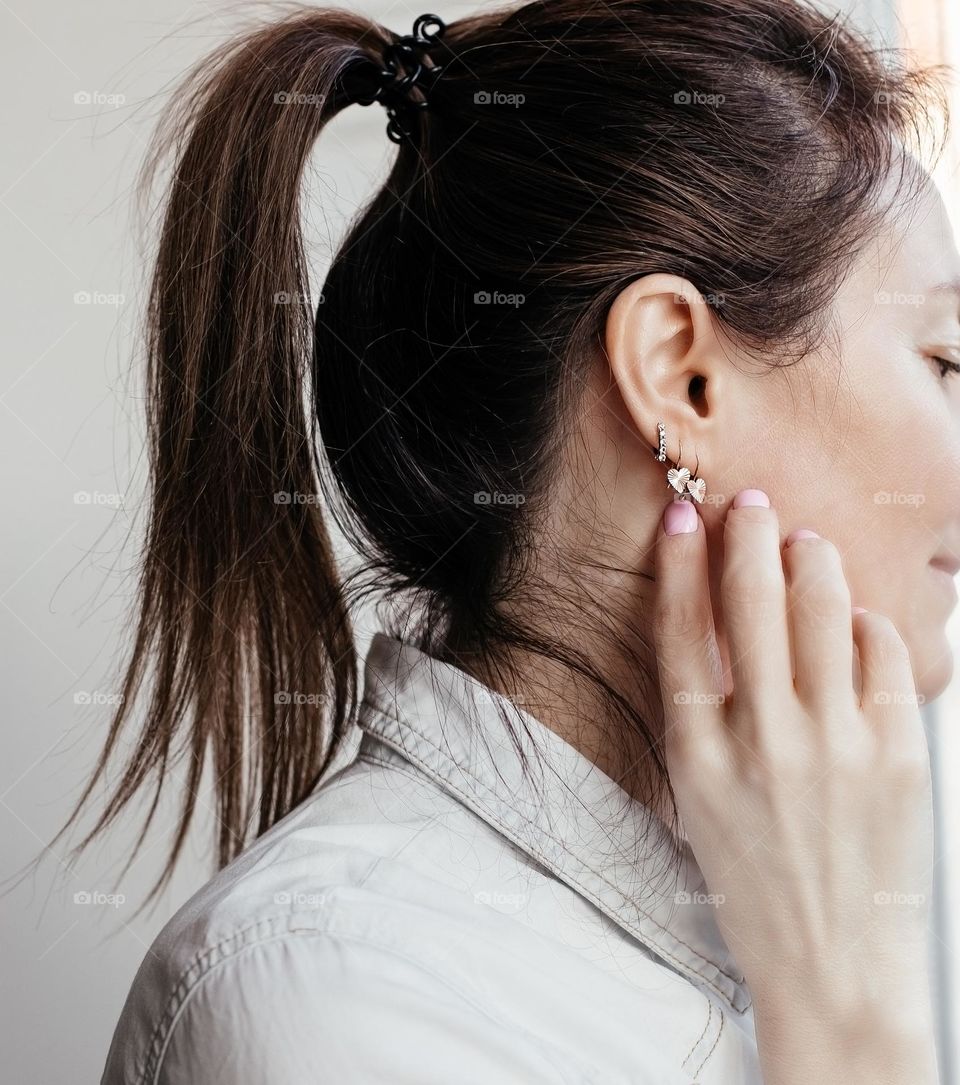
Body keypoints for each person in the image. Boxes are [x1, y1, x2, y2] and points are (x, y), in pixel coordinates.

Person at [62, 0, 960, 1080]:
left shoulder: (758, 912)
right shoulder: (329, 992)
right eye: (949, 366)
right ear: (681, 377)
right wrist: (852, 1017)